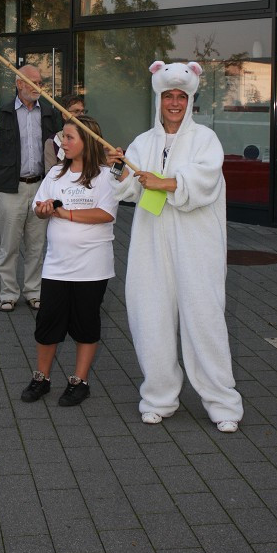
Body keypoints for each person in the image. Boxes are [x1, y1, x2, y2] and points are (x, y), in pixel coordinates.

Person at [107, 61, 243, 432]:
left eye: (181, 96)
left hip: (197, 245)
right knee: (149, 315)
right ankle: (159, 396)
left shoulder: (205, 140)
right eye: (168, 95)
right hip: (152, 242)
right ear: (159, 98)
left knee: (204, 318)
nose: (174, 102)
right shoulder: (144, 142)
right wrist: (118, 168)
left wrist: (163, 182)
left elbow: (204, 181)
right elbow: (126, 188)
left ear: (190, 100)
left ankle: (222, 402)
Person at [21, 115, 117, 407]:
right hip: (57, 266)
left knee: (85, 324)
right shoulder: (55, 174)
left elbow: (106, 214)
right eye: (63, 136)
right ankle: (42, 378)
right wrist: (44, 208)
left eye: (70, 137)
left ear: (87, 141)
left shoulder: (105, 175)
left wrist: (66, 214)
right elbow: (38, 208)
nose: (63, 141)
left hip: (92, 267)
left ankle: (79, 382)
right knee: (47, 322)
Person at [0, 65, 60, 312]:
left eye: (40, 82)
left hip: (40, 186)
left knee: (37, 244)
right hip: (11, 188)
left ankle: (33, 292)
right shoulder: (2, 113)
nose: (39, 87)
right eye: (33, 82)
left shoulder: (48, 112)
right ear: (19, 84)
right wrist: (9, 170)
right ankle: (8, 293)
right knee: (10, 244)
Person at [43, 94, 85, 173]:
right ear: (64, 115)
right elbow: (50, 176)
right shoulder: (53, 142)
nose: (81, 115)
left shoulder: (92, 137)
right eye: (76, 111)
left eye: (82, 111)